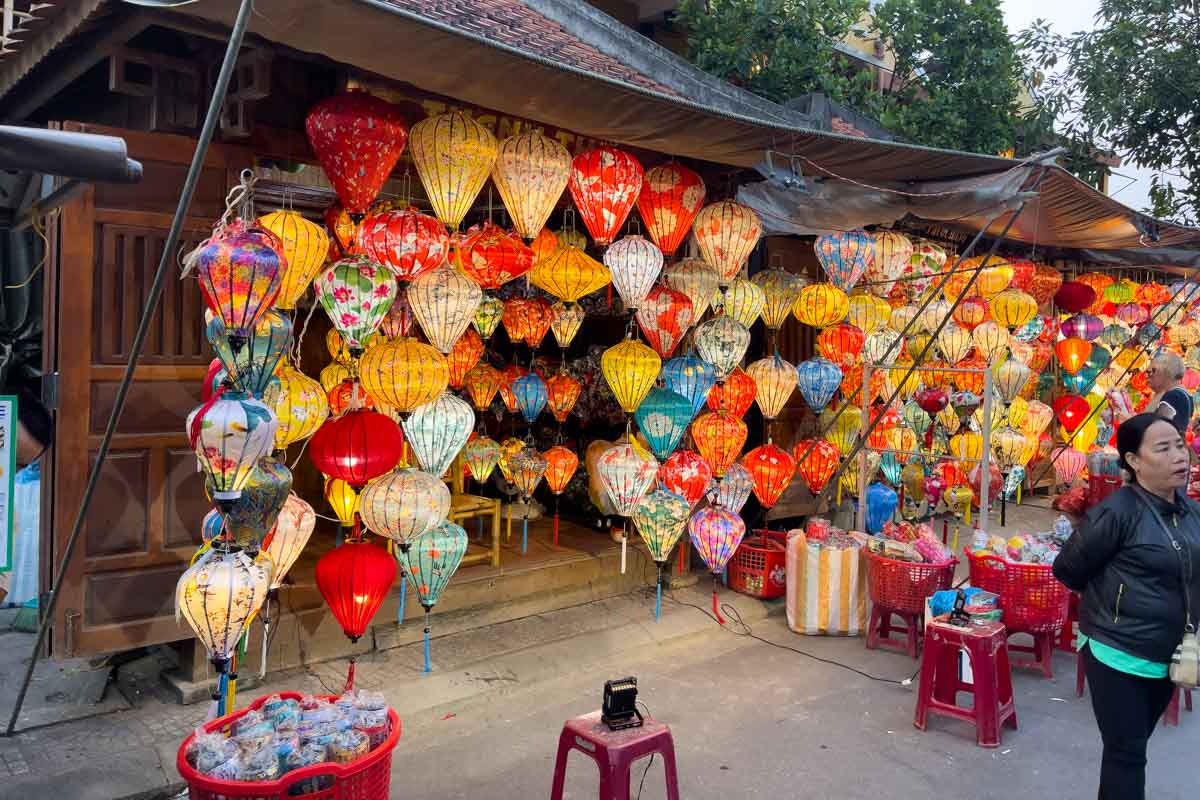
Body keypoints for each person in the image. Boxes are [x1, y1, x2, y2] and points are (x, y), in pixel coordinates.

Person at [1054, 413, 1200, 800]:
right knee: (1128, 755)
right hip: (1117, 652)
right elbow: (1068, 568)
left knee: (1130, 748)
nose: (1178, 456)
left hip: (1170, 655)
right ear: (1134, 461)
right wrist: (1114, 602)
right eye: (1163, 448)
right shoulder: (1116, 512)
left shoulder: (1190, 512)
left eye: (1180, 445)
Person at [1139, 352, 1192, 434]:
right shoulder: (1184, 395)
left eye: (1152, 371)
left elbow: (1158, 431)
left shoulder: (1173, 396)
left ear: (1166, 372)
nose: (1147, 376)